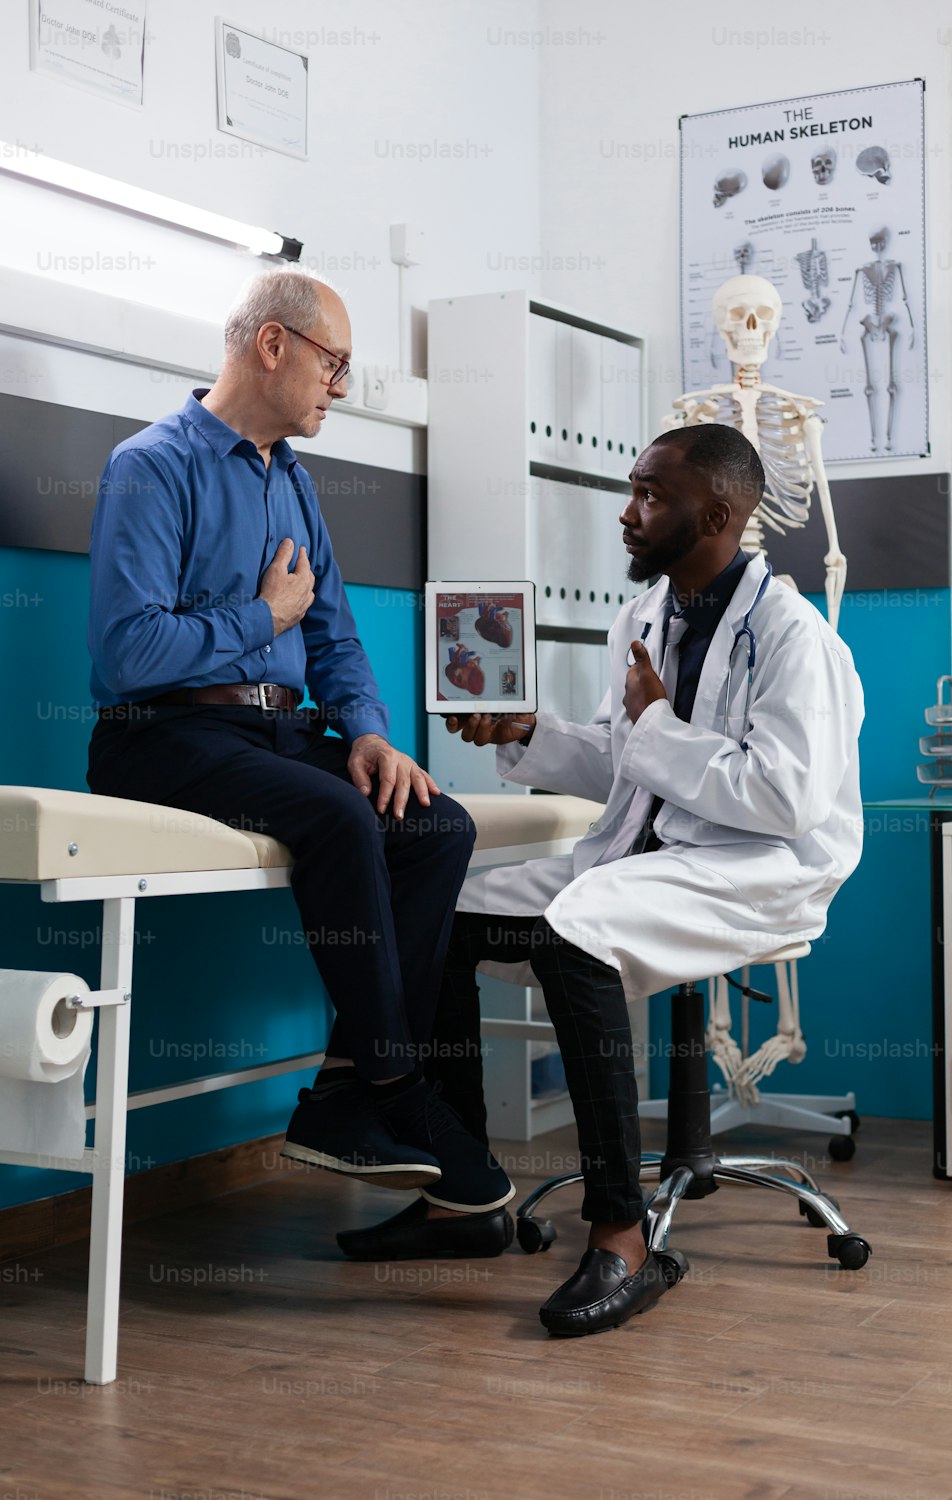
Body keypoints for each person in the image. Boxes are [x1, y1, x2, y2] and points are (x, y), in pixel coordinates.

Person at [348, 425, 864, 1332]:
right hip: (648, 858)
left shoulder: (793, 638)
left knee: (576, 932)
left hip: (756, 871)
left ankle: (624, 1238)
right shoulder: (645, 617)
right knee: (445, 912)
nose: (629, 515)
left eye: (651, 497)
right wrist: (528, 734)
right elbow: (627, 760)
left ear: (718, 514)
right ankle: (463, 1198)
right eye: (632, 492)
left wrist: (657, 726)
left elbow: (784, 797)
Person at [85, 270, 514, 1238]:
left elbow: (333, 637)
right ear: (271, 346)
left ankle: (346, 1084)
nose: (343, 388)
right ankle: (396, 1085)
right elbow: (128, 653)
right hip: (161, 735)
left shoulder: (295, 484)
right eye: (336, 364)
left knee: (437, 824)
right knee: (335, 817)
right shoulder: (151, 466)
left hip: (275, 731)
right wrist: (257, 616)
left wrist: (366, 730)